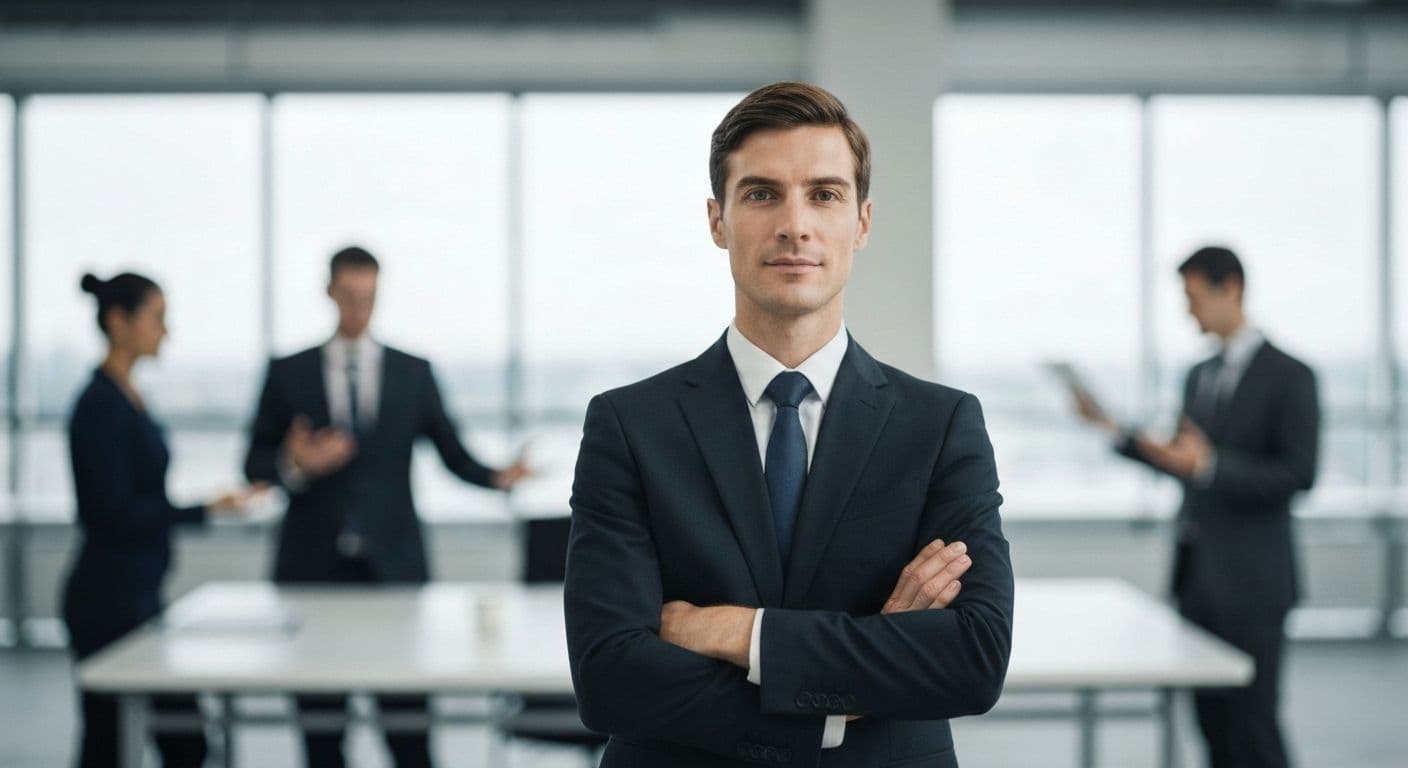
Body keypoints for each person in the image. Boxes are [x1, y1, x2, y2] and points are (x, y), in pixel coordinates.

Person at [564, 81, 1014, 768]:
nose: (794, 225)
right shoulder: (630, 426)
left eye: (824, 195)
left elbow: (972, 659)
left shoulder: (942, 425)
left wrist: (739, 632)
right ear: (718, 220)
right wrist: (849, 690)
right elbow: (611, 678)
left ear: (862, 222)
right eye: (761, 193)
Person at [242, 246, 530, 768]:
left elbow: (452, 453)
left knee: (408, 724)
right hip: (312, 568)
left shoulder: (412, 372)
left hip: (393, 567)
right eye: (349, 297)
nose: (358, 310)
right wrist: (295, 464)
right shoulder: (288, 372)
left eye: (368, 299)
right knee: (321, 727)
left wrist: (498, 477)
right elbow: (254, 464)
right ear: (330, 292)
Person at [1072, 246, 1319, 768]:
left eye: (1194, 297)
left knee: (1254, 725)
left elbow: (1299, 474)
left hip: (1255, 585)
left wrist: (1210, 467)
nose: (1188, 311)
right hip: (1198, 578)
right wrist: (1115, 432)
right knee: (1211, 729)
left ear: (1231, 289)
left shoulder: (1291, 375)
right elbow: (1185, 464)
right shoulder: (1199, 374)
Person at [62, 271, 256, 768]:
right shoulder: (99, 405)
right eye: (157, 319)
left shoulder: (125, 396)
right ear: (117, 321)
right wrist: (205, 509)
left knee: (161, 739)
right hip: (108, 599)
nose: (165, 332)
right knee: (122, 740)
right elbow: (111, 513)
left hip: (136, 592)